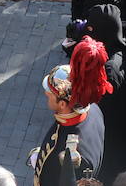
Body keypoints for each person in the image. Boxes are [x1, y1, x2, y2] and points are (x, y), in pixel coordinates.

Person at [31, 37, 110, 185]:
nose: (45, 95)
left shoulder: (75, 157)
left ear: (62, 104)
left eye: (49, 95)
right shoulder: (93, 109)